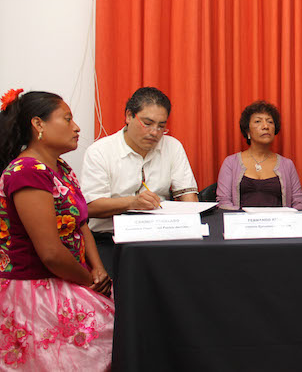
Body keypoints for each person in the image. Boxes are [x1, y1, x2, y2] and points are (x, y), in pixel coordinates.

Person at [0, 89, 114, 370]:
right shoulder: (26, 172)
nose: (76, 127)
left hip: (69, 276)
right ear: (38, 125)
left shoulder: (60, 168)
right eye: (67, 119)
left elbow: (80, 222)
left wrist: (98, 266)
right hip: (36, 289)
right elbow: (50, 252)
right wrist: (89, 280)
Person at [81, 87, 198, 277]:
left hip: (159, 235)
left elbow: (188, 196)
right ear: (129, 115)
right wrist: (132, 203)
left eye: (161, 126)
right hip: (110, 240)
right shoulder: (100, 152)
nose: (155, 133)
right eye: (148, 123)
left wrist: (192, 222)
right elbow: (91, 207)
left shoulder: (172, 146)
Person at [217, 101, 302, 210]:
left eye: (270, 122)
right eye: (258, 121)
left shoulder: (287, 164)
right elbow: (223, 201)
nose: (265, 126)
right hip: (242, 224)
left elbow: (299, 201)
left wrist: (287, 218)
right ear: (247, 131)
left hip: (279, 224)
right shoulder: (231, 162)